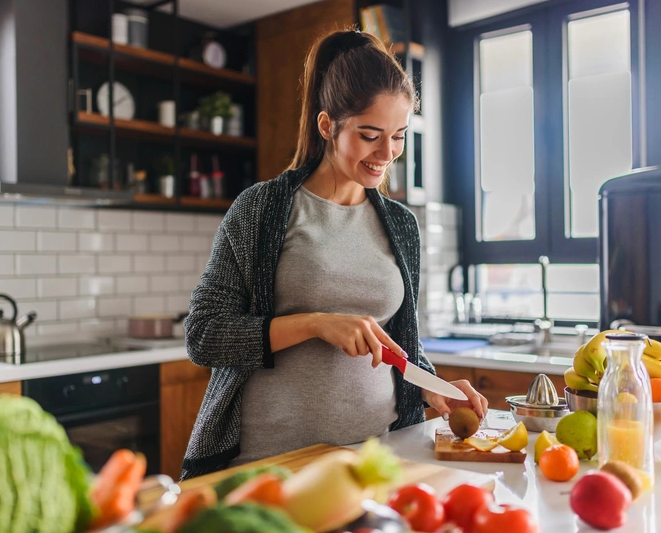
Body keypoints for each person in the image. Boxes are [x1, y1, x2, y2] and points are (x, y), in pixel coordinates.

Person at [181, 29, 488, 480]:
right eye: (370, 135)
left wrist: (435, 388)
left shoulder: (401, 225)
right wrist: (315, 323)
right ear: (328, 126)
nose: (388, 154)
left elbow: (398, 345)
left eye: (399, 136)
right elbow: (204, 335)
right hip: (269, 467)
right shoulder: (262, 208)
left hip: (373, 462)